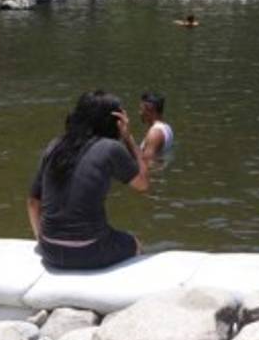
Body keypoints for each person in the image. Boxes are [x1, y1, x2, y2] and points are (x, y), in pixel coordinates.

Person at [27, 91, 149, 270]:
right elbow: (143, 184)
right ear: (115, 121)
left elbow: (32, 201)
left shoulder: (55, 146)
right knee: (135, 243)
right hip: (91, 251)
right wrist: (128, 139)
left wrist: (44, 242)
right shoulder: (111, 149)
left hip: (49, 252)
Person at [139, 92, 175, 162]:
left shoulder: (154, 133)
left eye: (141, 109)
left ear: (149, 109)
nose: (139, 113)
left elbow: (147, 164)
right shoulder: (167, 127)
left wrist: (128, 139)